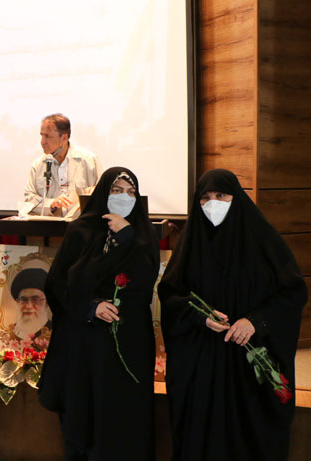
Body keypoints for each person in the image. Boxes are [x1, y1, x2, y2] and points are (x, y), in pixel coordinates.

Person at [158, 169, 307, 461]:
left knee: (247, 435)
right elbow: (171, 295)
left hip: (247, 364)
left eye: (221, 195)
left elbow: (293, 293)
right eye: (205, 198)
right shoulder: (191, 242)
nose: (212, 203)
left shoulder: (263, 239)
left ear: (236, 197)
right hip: (202, 362)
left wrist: (255, 321)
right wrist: (199, 315)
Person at [38, 167, 159, 461]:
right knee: (86, 414)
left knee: (125, 417)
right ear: (103, 193)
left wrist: (127, 238)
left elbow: (144, 284)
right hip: (86, 342)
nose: (123, 197)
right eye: (116, 191)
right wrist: (91, 307)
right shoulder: (81, 231)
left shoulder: (143, 234)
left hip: (128, 343)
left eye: (130, 192)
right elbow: (58, 284)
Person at [24, 114, 102, 217]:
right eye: (41, 135)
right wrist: (50, 204)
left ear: (64, 137)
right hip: (49, 224)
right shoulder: (38, 165)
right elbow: (28, 199)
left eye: (47, 136)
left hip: (81, 223)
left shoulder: (89, 160)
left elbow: (105, 193)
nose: (42, 142)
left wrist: (94, 192)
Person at [9, 268, 51, 341]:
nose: (29, 306)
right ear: (17, 301)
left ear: (47, 302)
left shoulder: (54, 331)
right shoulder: (10, 333)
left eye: (35, 299)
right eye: (24, 299)